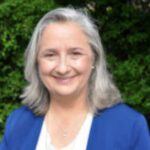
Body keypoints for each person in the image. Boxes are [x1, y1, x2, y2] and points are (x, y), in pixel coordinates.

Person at [0, 7, 150, 150]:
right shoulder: (18, 122)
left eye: (75, 54)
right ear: (36, 62)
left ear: (94, 60)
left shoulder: (129, 126)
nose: (62, 68)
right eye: (50, 55)